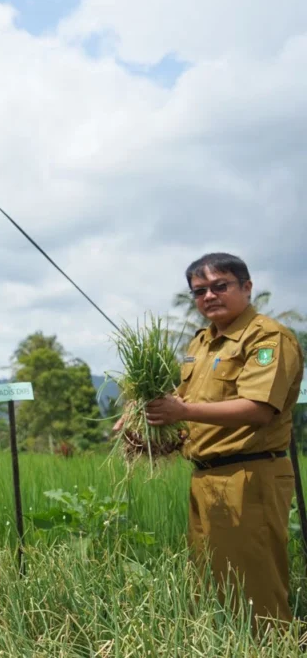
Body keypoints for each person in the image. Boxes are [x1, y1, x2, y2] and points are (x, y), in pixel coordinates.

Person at [137, 252, 304, 628]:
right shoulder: (200, 344)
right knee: (213, 585)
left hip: (249, 475)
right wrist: (155, 429)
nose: (209, 296)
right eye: (199, 291)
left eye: (220, 286)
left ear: (246, 288)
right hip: (205, 477)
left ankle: (273, 648)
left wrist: (181, 413)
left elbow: (259, 408)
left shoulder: (267, 337)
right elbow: (188, 404)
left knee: (255, 587)